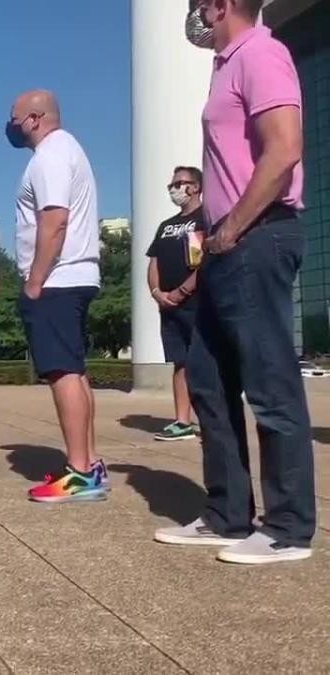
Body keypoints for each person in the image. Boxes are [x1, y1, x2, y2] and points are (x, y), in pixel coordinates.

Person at [156, 0, 314, 565]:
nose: (195, 14)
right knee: (206, 378)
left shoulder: (262, 53)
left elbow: (285, 149)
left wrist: (233, 229)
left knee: (270, 383)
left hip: (257, 235)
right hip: (226, 243)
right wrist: (213, 238)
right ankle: (226, 515)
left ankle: (289, 529)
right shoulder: (226, 63)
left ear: (221, 5)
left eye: (199, 4)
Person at [6, 89, 106, 503]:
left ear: (34, 118)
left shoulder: (48, 156)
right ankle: (90, 462)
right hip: (77, 275)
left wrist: (35, 279)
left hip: (57, 279)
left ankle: (80, 472)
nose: (10, 127)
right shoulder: (69, 150)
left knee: (61, 371)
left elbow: (55, 220)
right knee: (76, 371)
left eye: (14, 119)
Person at [146, 167, 206, 442]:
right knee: (179, 362)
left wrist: (184, 290)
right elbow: (154, 262)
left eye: (179, 183)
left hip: (198, 302)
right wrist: (158, 292)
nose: (174, 189)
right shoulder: (165, 225)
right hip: (168, 306)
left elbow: (207, 259)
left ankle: (212, 421)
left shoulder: (206, 217)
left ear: (195, 187)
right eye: (171, 184)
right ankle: (183, 421)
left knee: (206, 360)